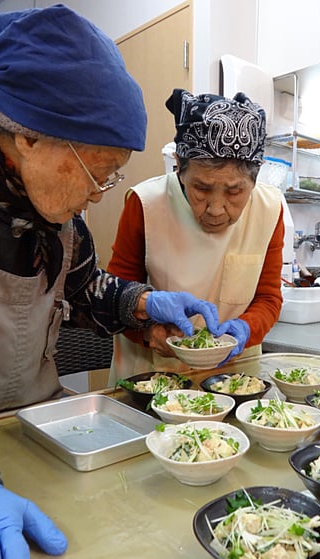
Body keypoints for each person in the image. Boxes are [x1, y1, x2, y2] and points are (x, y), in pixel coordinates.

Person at [0, 6, 220, 559]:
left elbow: (88, 288)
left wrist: (142, 303)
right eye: (99, 172)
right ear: (27, 136)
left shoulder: (62, 226)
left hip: (38, 431)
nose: (98, 193)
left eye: (112, 177)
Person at [108, 89, 284, 380]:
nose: (215, 209)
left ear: (255, 178)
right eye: (201, 188)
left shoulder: (270, 210)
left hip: (234, 373)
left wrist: (245, 329)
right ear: (179, 166)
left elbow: (268, 298)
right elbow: (115, 295)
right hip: (153, 372)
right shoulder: (147, 203)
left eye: (234, 191)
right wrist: (149, 331)